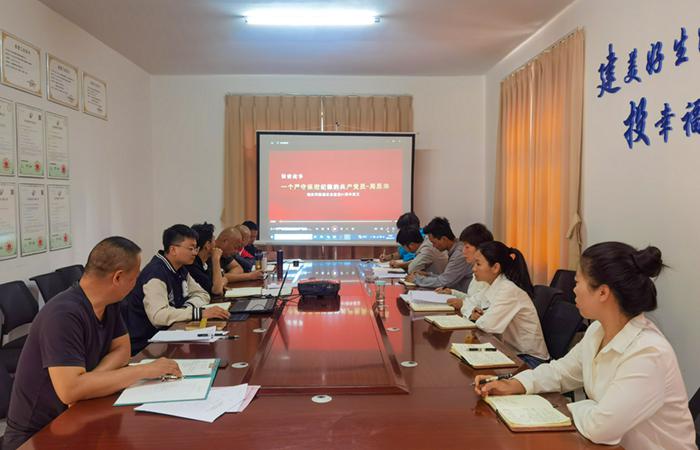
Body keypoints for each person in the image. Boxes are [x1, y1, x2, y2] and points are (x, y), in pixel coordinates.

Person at [475, 242, 696, 449]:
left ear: (603, 292)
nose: (574, 290)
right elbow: (562, 372)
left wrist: (568, 407)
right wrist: (516, 383)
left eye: (578, 282)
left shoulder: (648, 353)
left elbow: (601, 428)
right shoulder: (598, 330)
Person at [3, 237, 182, 450]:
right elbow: (69, 391)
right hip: (38, 436)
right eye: (135, 278)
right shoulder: (63, 314)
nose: (136, 283)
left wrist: (91, 380)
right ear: (118, 277)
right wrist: (144, 371)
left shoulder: (108, 303)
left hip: (78, 414)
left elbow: (122, 350)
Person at [121, 225, 229, 355]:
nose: (195, 253)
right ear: (173, 249)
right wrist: (197, 313)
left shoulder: (180, 268)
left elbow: (202, 294)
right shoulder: (155, 274)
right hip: (147, 346)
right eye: (191, 248)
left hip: (170, 335)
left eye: (196, 248)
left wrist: (186, 309)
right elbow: (159, 316)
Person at [465, 241, 548, 366]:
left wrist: (480, 317)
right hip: (507, 349)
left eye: (478, 264)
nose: (473, 269)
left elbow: (487, 325)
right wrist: (472, 315)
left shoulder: (509, 290)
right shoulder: (491, 285)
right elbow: (467, 303)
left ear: (495, 267)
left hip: (529, 359)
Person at [405, 217, 472, 292]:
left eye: (434, 242)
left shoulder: (459, 254)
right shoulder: (455, 249)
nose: (433, 246)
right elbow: (447, 277)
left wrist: (416, 280)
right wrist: (428, 275)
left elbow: (445, 282)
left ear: (443, 239)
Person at [439, 223, 494, 314]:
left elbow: (484, 309)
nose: (463, 251)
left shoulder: (488, 274)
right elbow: (472, 298)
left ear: (481, 248)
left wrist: (463, 304)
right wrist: (452, 292)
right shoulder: (476, 270)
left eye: (467, 247)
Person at [187, 222, 226, 296]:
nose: (216, 243)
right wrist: (216, 259)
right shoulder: (192, 265)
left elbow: (222, 279)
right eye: (214, 240)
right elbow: (217, 291)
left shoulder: (206, 262)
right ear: (207, 245)